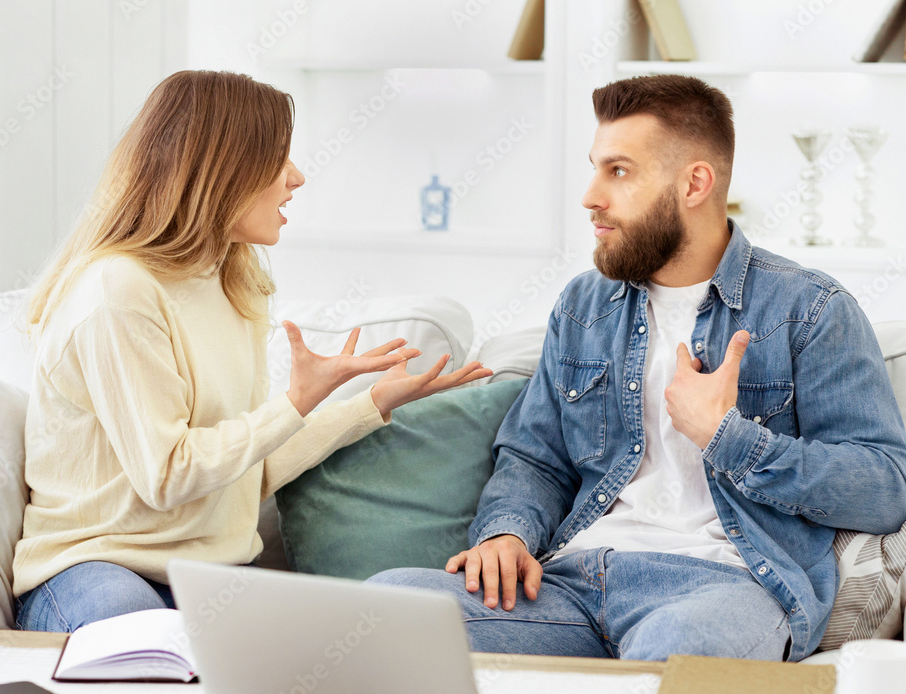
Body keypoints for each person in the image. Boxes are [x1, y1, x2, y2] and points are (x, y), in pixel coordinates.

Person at [368, 74, 906, 662]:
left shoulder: (811, 311)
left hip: (723, 586)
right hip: (570, 582)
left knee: (676, 650)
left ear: (695, 182)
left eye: (618, 171)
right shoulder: (584, 305)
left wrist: (730, 440)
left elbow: (885, 487)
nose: (590, 196)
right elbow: (536, 456)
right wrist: (507, 531)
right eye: (596, 167)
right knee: (385, 610)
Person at [12, 70, 492, 632]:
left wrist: (373, 404)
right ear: (220, 170)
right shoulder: (118, 291)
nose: (297, 177)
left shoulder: (230, 282)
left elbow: (244, 474)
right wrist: (295, 401)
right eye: (278, 159)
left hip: (208, 574)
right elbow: (167, 477)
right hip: (95, 565)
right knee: (144, 652)